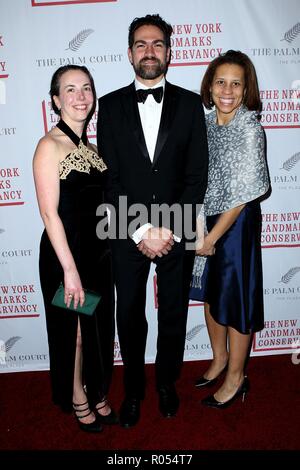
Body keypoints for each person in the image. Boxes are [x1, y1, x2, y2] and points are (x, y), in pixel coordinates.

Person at [97, 14, 208, 427]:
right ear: (129, 53)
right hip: (127, 231)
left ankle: (166, 383)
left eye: (157, 44)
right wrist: (143, 230)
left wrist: (171, 230)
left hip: (176, 230)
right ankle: (133, 389)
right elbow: (109, 177)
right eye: (141, 44)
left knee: (174, 313)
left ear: (169, 52)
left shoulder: (189, 103)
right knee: (129, 312)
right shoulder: (107, 107)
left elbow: (197, 174)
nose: (149, 51)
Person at [33, 65, 117, 432]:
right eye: (70, 89)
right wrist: (69, 270)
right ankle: (77, 397)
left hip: (97, 256)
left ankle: (95, 387)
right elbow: (50, 215)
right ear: (56, 100)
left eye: (86, 88)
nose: (81, 96)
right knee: (75, 331)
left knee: (96, 328)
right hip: (65, 256)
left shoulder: (93, 150)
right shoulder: (48, 146)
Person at [190, 50, 270, 408]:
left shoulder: (250, 128)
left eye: (236, 83)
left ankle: (237, 376)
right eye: (220, 81)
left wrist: (211, 237)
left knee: (236, 301)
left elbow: (241, 197)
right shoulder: (205, 124)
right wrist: (197, 227)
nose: (227, 89)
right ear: (209, 85)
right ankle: (219, 359)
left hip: (235, 227)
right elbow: (196, 179)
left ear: (246, 88)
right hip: (206, 220)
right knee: (210, 294)